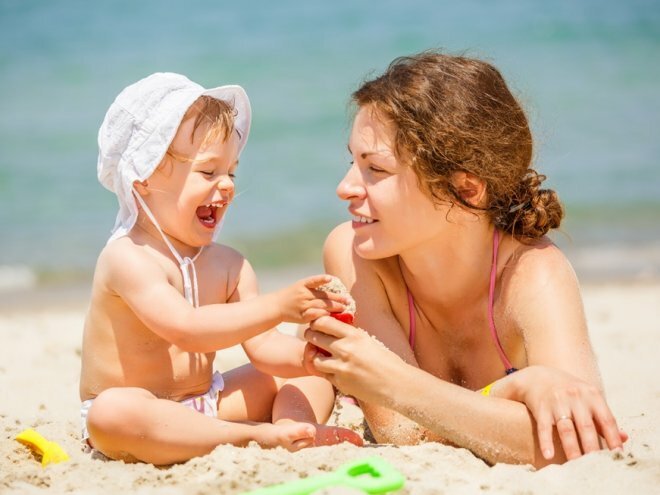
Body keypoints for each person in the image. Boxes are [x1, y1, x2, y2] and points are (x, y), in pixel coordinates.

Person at [303, 51, 627, 467]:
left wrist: (391, 381)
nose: (344, 187)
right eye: (353, 161)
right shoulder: (353, 255)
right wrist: (511, 390)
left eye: (376, 169)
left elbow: (580, 441)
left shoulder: (533, 276)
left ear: (466, 190)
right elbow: (398, 428)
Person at [80, 72, 362, 465]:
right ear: (142, 178)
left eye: (231, 171)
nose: (227, 185)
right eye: (208, 172)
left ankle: (294, 428)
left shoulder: (230, 265)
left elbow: (265, 348)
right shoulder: (128, 257)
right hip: (143, 414)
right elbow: (186, 328)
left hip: (210, 403)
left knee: (304, 377)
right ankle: (253, 435)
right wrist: (279, 305)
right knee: (111, 412)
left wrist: (316, 357)